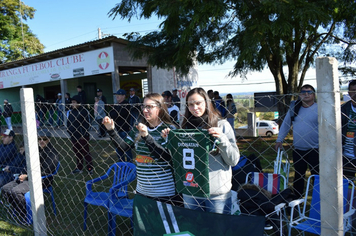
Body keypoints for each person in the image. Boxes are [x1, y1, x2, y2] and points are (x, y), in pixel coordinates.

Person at [161, 87, 240, 214]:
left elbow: (234, 160)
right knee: (195, 229)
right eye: (191, 104)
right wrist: (170, 142)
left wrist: (222, 139)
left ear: (207, 102)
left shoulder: (222, 125)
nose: (195, 107)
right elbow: (178, 159)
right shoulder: (184, 128)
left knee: (218, 231)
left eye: (198, 103)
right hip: (191, 191)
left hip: (216, 194)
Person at [103, 93, 179, 204]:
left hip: (164, 192)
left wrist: (147, 137)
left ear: (160, 108)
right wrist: (111, 131)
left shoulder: (169, 129)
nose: (145, 110)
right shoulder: (138, 128)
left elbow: (166, 157)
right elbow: (124, 147)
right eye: (143, 106)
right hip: (142, 191)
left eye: (150, 107)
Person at [1, 130, 59, 224]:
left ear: (49, 140)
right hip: (28, 178)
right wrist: (22, 174)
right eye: (39, 139)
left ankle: (27, 214)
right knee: (5, 189)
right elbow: (28, 166)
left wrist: (27, 176)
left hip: (42, 181)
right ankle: (20, 211)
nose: (41, 141)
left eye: (44, 139)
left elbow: (47, 171)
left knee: (15, 191)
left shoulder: (52, 154)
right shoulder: (36, 150)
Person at [275, 84, 319, 198]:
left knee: (316, 176)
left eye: (309, 92)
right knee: (298, 176)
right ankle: (296, 200)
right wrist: (279, 139)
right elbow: (285, 124)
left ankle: (317, 199)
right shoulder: (294, 108)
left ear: (314, 95)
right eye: (303, 92)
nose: (306, 94)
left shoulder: (319, 108)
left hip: (316, 149)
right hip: (298, 149)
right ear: (299, 95)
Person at [67, 95, 93, 174]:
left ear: (79, 103)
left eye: (74, 102)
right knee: (77, 153)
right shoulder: (71, 112)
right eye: (72, 102)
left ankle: (90, 168)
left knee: (86, 153)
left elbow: (86, 124)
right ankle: (79, 168)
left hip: (82, 137)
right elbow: (68, 123)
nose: (72, 104)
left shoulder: (84, 111)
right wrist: (70, 132)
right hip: (74, 136)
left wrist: (83, 134)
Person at [108, 89, 132, 162]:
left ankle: (129, 164)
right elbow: (110, 114)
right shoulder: (117, 105)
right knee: (118, 148)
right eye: (116, 95)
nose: (117, 96)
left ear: (123, 96)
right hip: (116, 130)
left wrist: (113, 114)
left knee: (126, 148)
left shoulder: (126, 104)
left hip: (124, 130)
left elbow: (118, 115)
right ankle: (121, 164)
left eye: (119, 95)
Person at [341, 80, 356, 178]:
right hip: (347, 154)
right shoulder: (343, 109)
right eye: (353, 91)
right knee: (347, 182)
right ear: (349, 93)